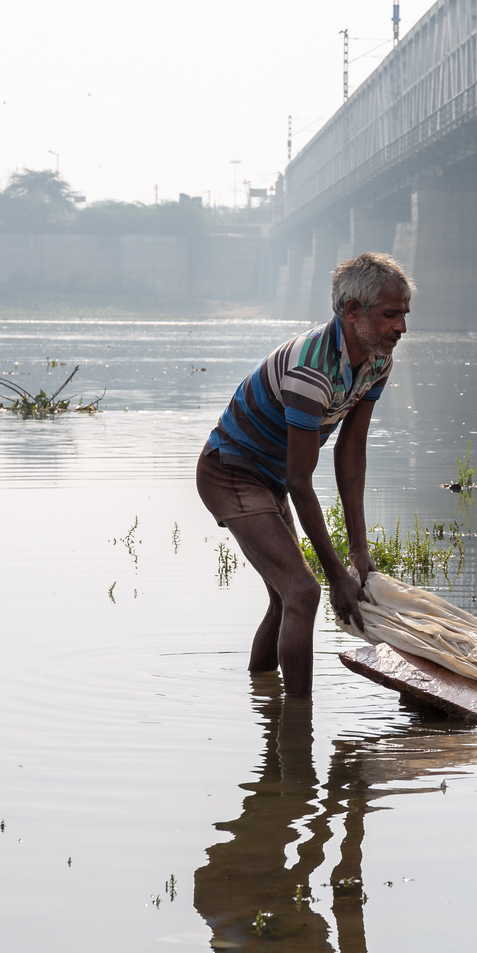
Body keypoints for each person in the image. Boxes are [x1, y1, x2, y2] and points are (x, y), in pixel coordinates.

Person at [197, 251, 412, 697]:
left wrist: (359, 551)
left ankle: (263, 698)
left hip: (271, 475)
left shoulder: (376, 361)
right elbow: (300, 481)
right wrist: (336, 575)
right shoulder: (310, 369)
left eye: (404, 314)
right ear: (352, 311)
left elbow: (350, 453)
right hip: (231, 470)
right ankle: (297, 735)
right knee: (304, 591)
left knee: (285, 598)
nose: (401, 328)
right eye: (390, 315)